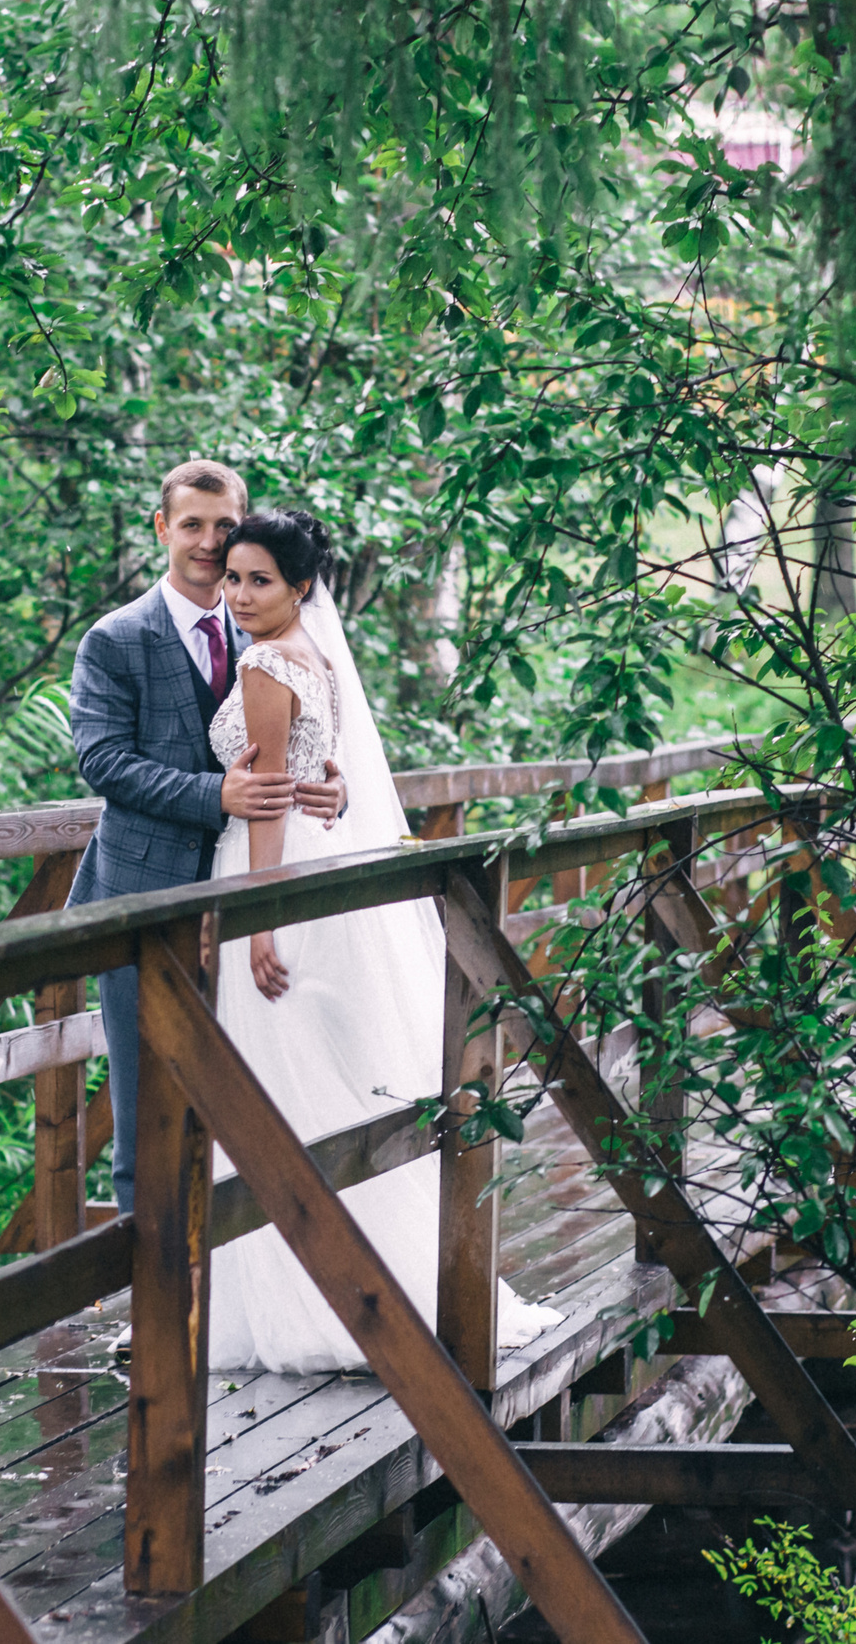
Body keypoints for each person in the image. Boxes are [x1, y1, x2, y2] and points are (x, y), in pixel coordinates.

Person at [201, 509, 563, 1373]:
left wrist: (259, 919)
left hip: (277, 880)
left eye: (260, 580)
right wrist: (313, 793)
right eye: (234, 578)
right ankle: (373, 1278)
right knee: (319, 1080)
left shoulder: (263, 662)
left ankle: (309, 1298)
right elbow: (320, 778)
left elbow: (262, 800)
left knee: (272, 1086)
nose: (241, 595)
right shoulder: (317, 657)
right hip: (321, 871)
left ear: (300, 587)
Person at [66, 460, 344, 1214]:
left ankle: (238, 1290)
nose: (210, 543)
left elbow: (308, 742)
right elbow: (101, 759)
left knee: (253, 1090)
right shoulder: (115, 639)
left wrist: (336, 785)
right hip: (141, 897)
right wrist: (213, 792)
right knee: (146, 1099)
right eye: (193, 524)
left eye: (226, 526)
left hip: (245, 895)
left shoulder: (266, 621)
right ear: (163, 528)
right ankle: (147, 1316)